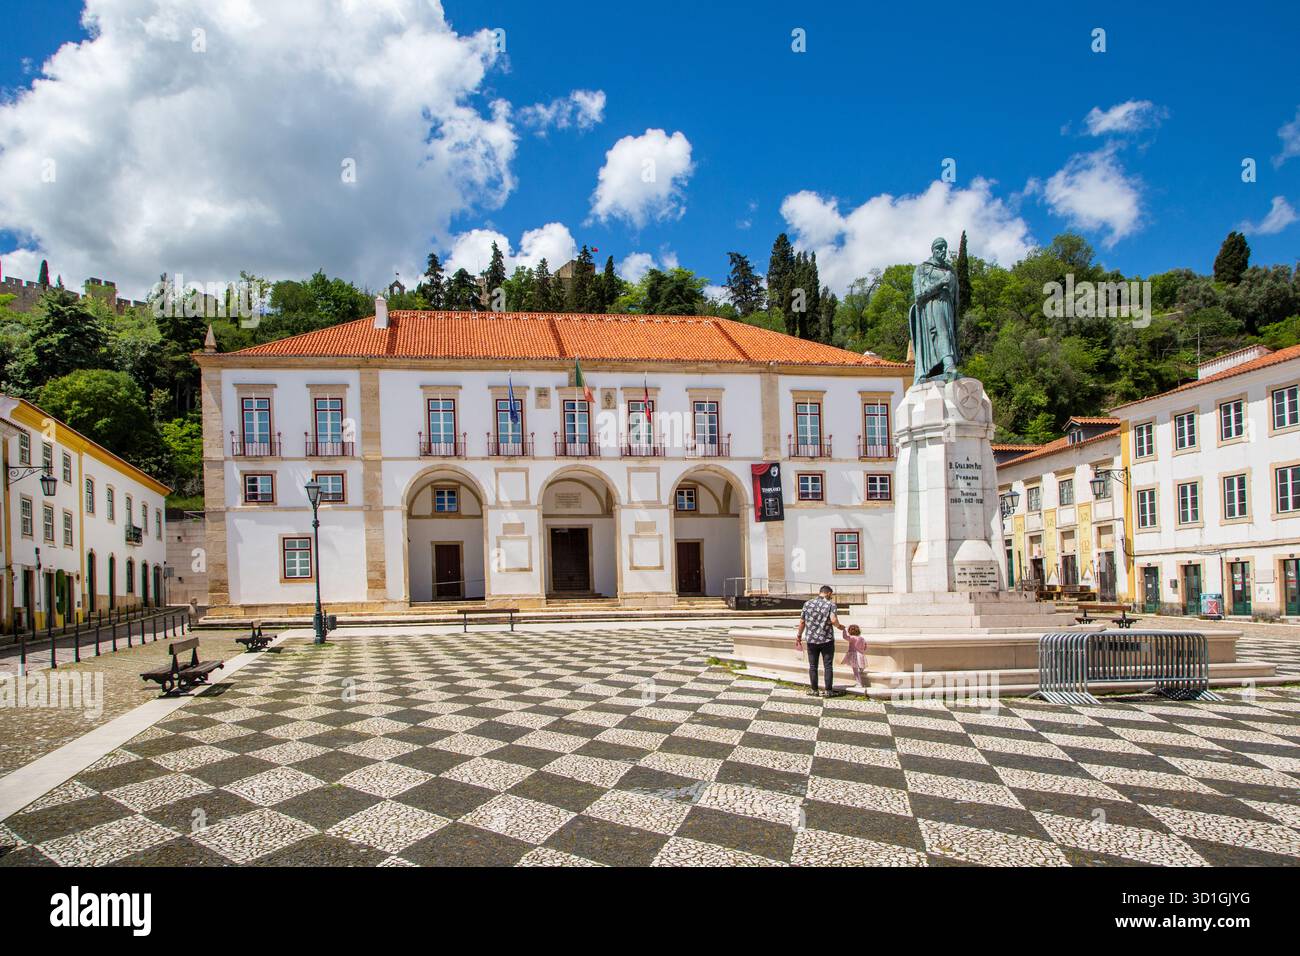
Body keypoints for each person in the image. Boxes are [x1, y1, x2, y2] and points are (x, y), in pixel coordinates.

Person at [795, 585, 844, 697]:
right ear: (829, 593)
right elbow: (833, 620)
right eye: (831, 595)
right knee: (828, 666)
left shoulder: (807, 604)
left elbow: (802, 622)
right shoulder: (831, 604)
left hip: (811, 640)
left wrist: (799, 635)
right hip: (827, 640)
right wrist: (840, 626)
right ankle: (828, 691)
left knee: (813, 666)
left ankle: (814, 690)